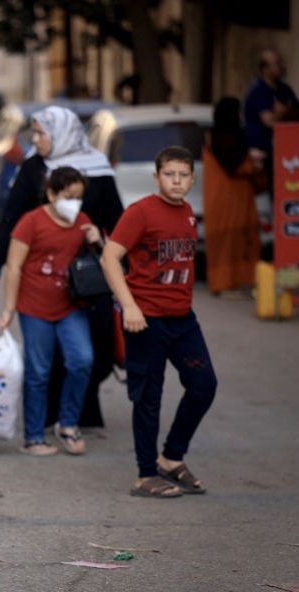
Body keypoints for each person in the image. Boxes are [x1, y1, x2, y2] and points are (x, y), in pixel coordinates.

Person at [0, 105, 124, 431]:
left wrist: (126, 267)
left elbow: (118, 222)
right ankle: (50, 416)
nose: (36, 139)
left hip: (89, 273)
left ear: (63, 133)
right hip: (42, 272)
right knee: (49, 352)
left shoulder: (97, 166)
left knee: (98, 346)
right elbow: (11, 221)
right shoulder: (34, 167)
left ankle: (82, 409)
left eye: (42, 133)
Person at [101, 146, 218, 498]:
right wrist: (129, 307)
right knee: (149, 397)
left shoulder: (187, 213)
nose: (177, 181)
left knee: (203, 385)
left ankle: (171, 458)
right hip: (146, 319)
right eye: (170, 175)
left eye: (184, 175)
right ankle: (146, 474)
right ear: (157, 177)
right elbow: (109, 258)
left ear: (192, 179)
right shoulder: (140, 213)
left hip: (183, 320)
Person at [0, 167, 101, 455]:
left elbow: (102, 263)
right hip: (34, 308)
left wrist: (97, 239)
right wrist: (9, 309)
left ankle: (67, 423)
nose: (75, 203)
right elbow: (14, 267)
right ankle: (33, 436)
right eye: (69, 196)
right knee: (38, 371)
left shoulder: (83, 222)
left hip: (71, 305)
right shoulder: (30, 222)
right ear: (52, 194)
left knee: (82, 360)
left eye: (79, 197)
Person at [202, 97, 261, 296]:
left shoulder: (215, 135)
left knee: (239, 240)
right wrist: (253, 164)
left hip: (231, 199)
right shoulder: (223, 137)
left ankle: (238, 281)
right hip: (229, 199)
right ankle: (226, 283)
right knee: (229, 241)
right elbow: (232, 164)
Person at [243, 49, 299, 188]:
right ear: (264, 69)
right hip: (264, 157)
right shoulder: (258, 91)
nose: (282, 66)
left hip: (286, 156)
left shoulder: (285, 90)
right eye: (277, 63)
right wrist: (284, 113)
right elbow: (269, 121)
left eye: (281, 62)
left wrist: (283, 111)